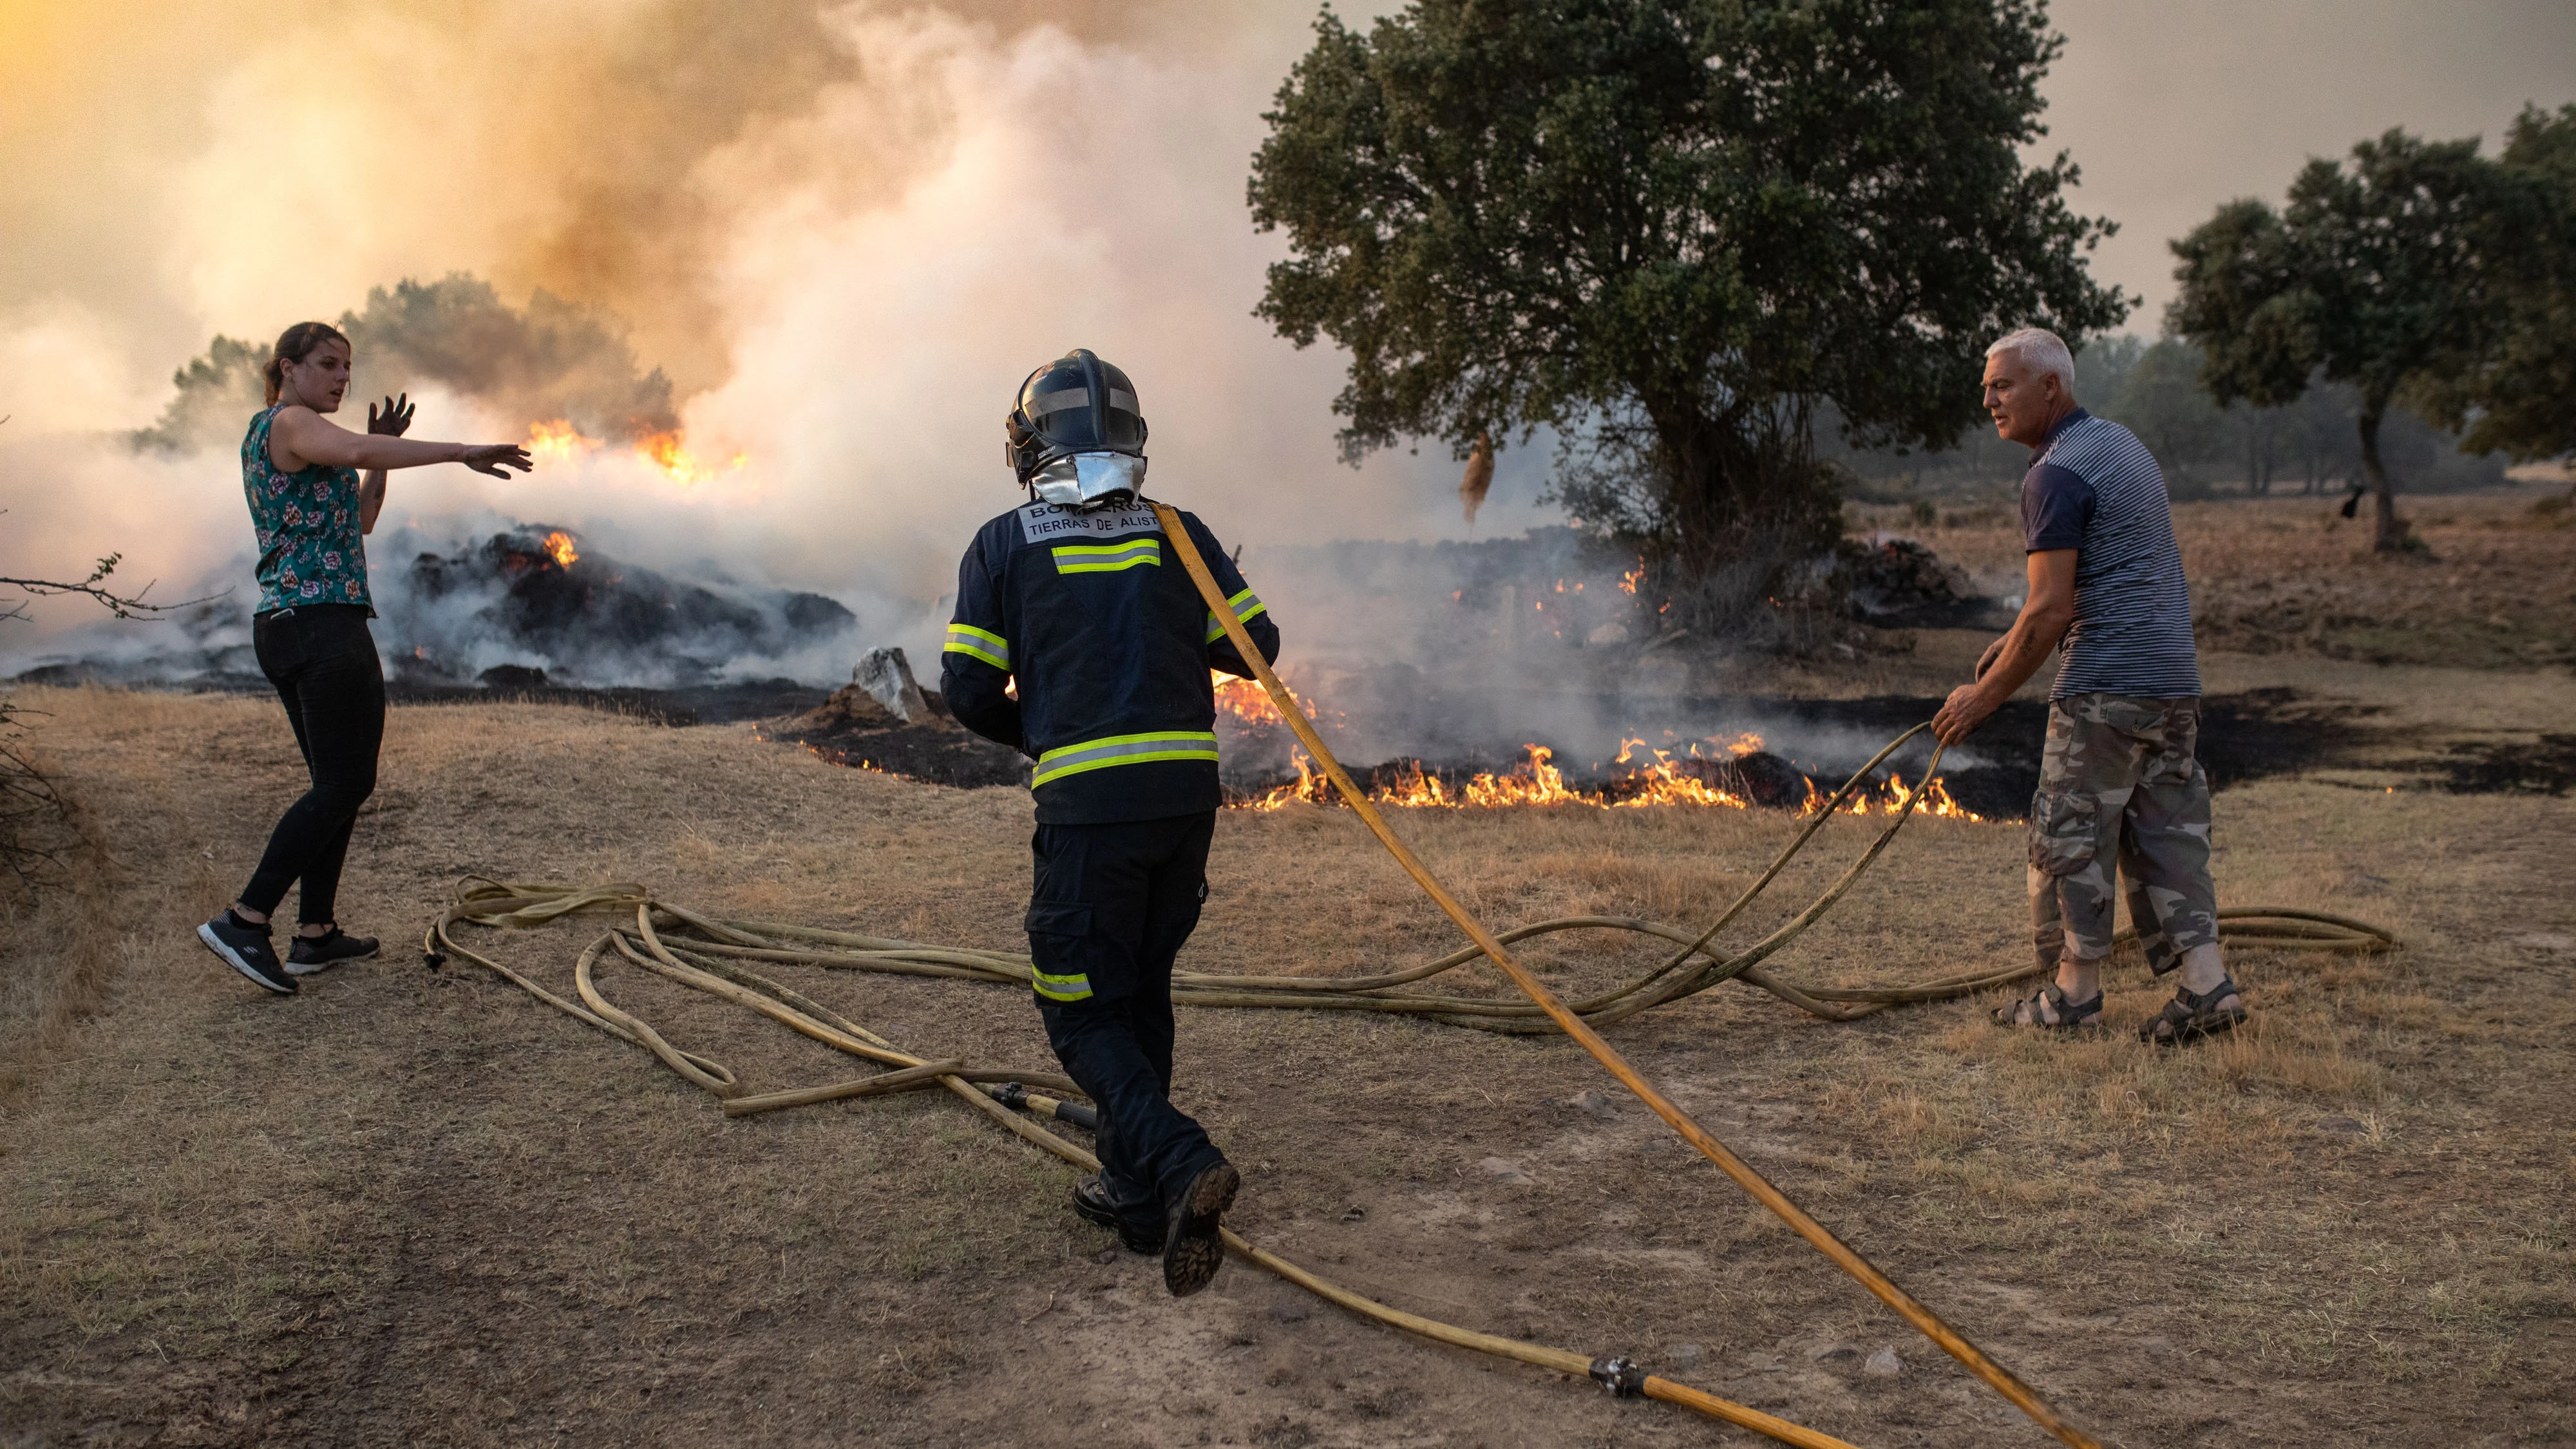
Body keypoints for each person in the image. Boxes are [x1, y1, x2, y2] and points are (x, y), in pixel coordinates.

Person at [940, 348, 1281, 1296]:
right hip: (1183, 803)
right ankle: (1136, 1200)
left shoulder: (1004, 544)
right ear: (1132, 438)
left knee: (1080, 1002)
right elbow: (1258, 650)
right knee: (1140, 987)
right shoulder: (1179, 531)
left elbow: (965, 688)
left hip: (1091, 811)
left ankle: (1179, 1158)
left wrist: (1040, 734)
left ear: (1026, 446)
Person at [196, 322, 532, 995]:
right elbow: (350, 444)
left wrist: (383, 459)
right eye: (327, 365)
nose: (342, 378)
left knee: (336, 781)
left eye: (347, 367)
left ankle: (314, 934)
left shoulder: (304, 442)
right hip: (320, 626)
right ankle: (244, 918)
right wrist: (460, 450)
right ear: (288, 368)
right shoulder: (288, 422)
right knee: (346, 784)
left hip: (294, 625)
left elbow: (362, 518)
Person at [1931, 327, 2242, 1045]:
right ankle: (2207, 988)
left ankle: (2073, 997)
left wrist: (1983, 698)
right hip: (2171, 682)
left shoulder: (2054, 473)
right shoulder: (2119, 445)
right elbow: (2089, 583)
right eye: (1986, 387)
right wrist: (2007, 647)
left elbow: (2051, 609)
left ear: (2051, 387)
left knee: (2068, 834)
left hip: (2103, 686)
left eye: (2002, 385)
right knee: (2169, 834)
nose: (1988, 401)